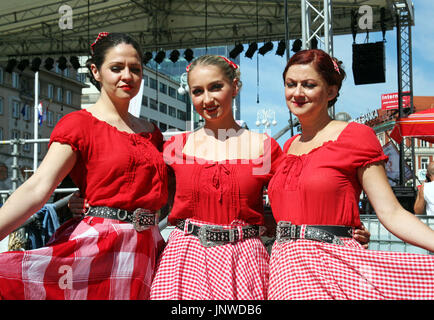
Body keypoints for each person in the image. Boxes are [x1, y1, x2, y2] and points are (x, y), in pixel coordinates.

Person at [0, 32, 167, 300]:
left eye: (135, 69)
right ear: (95, 71)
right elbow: (38, 187)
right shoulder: (79, 124)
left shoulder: (152, 133)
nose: (127, 76)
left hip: (148, 248)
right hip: (100, 248)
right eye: (116, 68)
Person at [267, 49, 434, 300]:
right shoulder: (287, 147)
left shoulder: (356, 136)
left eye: (309, 85)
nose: (297, 93)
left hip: (332, 266)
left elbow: (391, 212)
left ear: (331, 91)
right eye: (291, 84)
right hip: (284, 268)